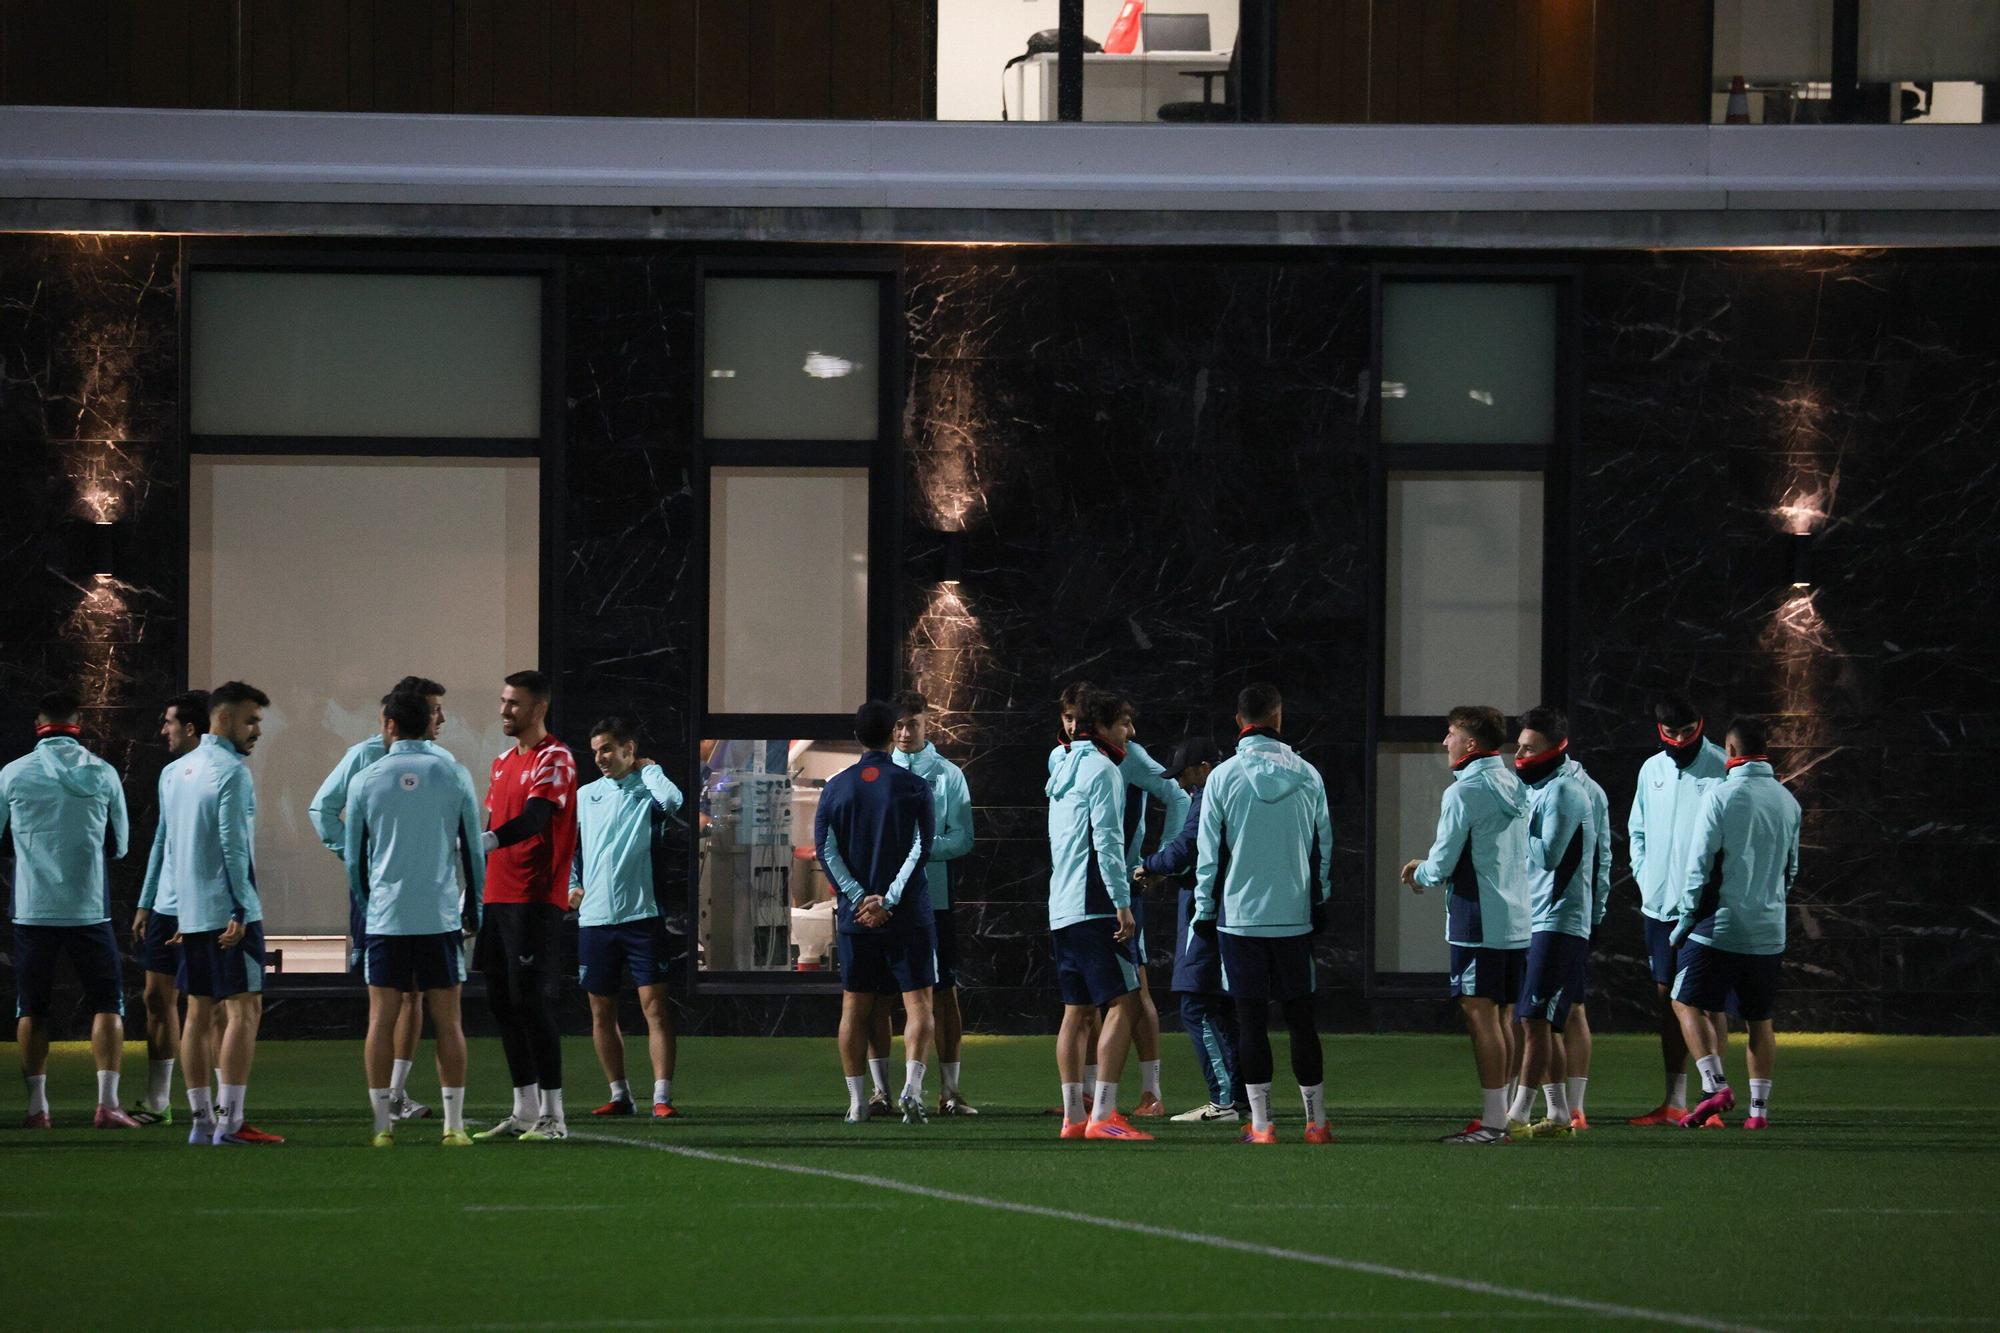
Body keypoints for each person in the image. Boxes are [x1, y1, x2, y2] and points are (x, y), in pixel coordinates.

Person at [308, 675, 458, 1121]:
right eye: (434, 710)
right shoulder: (365, 756)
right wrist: (360, 857)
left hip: (429, 897)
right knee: (388, 997)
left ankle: (397, 1092)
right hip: (382, 896)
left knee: (416, 998)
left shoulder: (442, 762)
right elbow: (322, 810)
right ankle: (383, 1102)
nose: (441, 719)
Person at [1193, 684, 1335, 1146]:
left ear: (1239, 721)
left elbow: (1208, 856)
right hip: (1293, 917)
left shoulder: (1223, 777)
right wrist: (1320, 900)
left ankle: (1261, 1125)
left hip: (1240, 919)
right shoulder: (1309, 775)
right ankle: (1316, 1123)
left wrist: (1203, 911)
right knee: (1302, 1020)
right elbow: (1323, 849)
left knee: (1250, 1022)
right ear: (1279, 716)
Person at [344, 691, 484, 1147]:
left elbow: (353, 860)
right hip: (439, 915)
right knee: (449, 1020)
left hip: (386, 919)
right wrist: (475, 907)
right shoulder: (452, 772)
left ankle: (383, 1127)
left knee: (381, 1020)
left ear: (388, 723)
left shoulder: (366, 778)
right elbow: (473, 850)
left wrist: (369, 907)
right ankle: (454, 1126)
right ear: (429, 722)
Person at [3, 692, 134, 1129]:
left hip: (32, 910)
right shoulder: (103, 772)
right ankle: (108, 1105)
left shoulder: (13, 773)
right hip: (87, 910)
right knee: (107, 1004)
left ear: (38, 723)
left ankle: (38, 1108)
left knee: (31, 1008)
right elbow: (120, 846)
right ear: (79, 724)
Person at [1402, 704, 1530, 1146]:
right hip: (1517, 917)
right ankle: (1504, 1116)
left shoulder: (1464, 792)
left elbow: (1441, 863)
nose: (1445, 741)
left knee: (1481, 1016)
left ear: (1470, 744)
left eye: (1451, 734)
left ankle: (1493, 1123)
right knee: (1504, 1014)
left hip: (1479, 919)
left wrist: (1419, 873)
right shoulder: (1513, 781)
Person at [164, 680, 280, 1146]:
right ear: (224, 719)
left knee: (196, 1013)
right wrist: (240, 907)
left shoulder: (175, 771)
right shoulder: (232, 772)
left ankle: (200, 1123)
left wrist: (174, 909)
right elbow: (233, 846)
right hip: (229, 910)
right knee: (244, 1010)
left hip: (189, 909)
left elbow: (173, 846)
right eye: (251, 720)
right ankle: (231, 1123)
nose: (256, 731)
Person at [1670, 716, 1799, 1131]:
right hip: (1769, 928)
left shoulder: (1721, 797)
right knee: (1760, 1020)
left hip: (1721, 925)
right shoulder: (1788, 801)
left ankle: (1715, 1083)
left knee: (1683, 999)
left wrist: (1687, 916)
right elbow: (1791, 870)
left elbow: (1699, 866)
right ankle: (1759, 1113)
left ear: (1729, 751)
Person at [817, 700, 936, 1125]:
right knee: (919, 1003)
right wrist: (889, 897)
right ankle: (912, 1091)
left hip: (856, 917)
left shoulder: (836, 787)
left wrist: (858, 897)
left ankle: (856, 1101)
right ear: (892, 736)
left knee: (855, 1007)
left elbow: (825, 848)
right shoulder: (914, 785)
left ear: (856, 737)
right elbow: (923, 846)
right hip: (906, 914)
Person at [473, 669, 579, 1142]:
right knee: (503, 1004)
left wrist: (487, 840)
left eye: (513, 703)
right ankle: (523, 1108)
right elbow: (495, 821)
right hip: (498, 898)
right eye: (502, 701)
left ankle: (554, 1115)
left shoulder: (555, 757)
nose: (504, 710)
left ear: (538, 708)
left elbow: (536, 820)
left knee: (532, 1004)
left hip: (535, 900)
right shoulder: (499, 764)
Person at [1045, 689, 1151, 1142]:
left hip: (1061, 905)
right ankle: (1104, 1114)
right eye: (1123, 724)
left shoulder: (1062, 766)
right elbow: (1107, 843)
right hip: (1095, 904)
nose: (1130, 732)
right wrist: (1122, 903)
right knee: (1125, 1002)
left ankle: (1073, 1116)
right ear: (1104, 726)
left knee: (1076, 1011)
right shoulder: (1104, 770)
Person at [571, 716, 685, 1120]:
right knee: (602, 1011)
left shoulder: (649, 790)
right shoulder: (586, 794)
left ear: (628, 749)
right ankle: (619, 1094)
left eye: (607, 749)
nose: (600, 758)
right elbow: (572, 848)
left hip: (642, 915)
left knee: (655, 1008)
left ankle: (661, 1096)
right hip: (595, 919)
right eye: (596, 750)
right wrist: (572, 885)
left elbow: (673, 803)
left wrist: (649, 768)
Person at [1627, 694, 1731, 1127]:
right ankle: (1674, 1101)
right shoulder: (1651, 770)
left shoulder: (1723, 767)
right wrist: (1645, 876)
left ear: (1700, 725)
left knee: (1707, 1001)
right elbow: (1637, 831)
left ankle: (1714, 1099)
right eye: (1670, 734)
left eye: (1687, 733)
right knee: (1666, 1000)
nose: (1679, 740)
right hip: (1658, 905)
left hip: (1705, 906)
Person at [1137, 733, 1244, 1123]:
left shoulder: (1210, 793)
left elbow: (1189, 846)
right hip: (1234, 912)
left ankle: (1224, 1101)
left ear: (1203, 768)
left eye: (1185, 774)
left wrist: (1149, 865)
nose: (1181, 783)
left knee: (1197, 1004)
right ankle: (1241, 1098)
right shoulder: (1234, 790)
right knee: (1221, 1007)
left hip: (1206, 912)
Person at [1503, 707, 1598, 1141]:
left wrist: (1518, 819)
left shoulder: (1565, 793)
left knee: (1534, 1020)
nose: (1519, 755)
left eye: (1528, 748)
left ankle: (1517, 1113)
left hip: (1558, 920)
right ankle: (1559, 1115)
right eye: (1518, 746)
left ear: (1556, 749)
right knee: (1543, 1022)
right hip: (1536, 917)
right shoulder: (1541, 789)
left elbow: (1548, 856)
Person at [884, 690, 977, 1116]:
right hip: (882, 901)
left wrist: (919, 850)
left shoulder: (946, 775)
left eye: (913, 724)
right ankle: (882, 1090)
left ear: (928, 724)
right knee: (879, 995)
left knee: (943, 992)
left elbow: (963, 837)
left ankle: (951, 1091)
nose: (905, 732)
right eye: (899, 724)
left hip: (933, 900)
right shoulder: (878, 772)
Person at [128, 689, 209, 1125]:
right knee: (156, 998)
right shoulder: (169, 774)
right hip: (165, 907)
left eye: (169, 722)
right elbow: (163, 839)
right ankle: (158, 1102)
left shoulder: (221, 774)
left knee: (206, 1006)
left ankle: (215, 1101)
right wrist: (146, 901)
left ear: (191, 728)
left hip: (202, 909)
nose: (163, 730)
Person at [1108, 695, 1188, 1118]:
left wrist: (1158, 863)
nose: (1132, 731)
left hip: (1123, 888)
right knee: (1085, 998)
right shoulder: (1065, 759)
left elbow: (1179, 797)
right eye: (1124, 722)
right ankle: (1087, 1096)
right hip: (1083, 891)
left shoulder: (1132, 756)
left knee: (1136, 991)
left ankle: (1151, 1094)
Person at [1559, 749, 1613, 1131]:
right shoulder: (1523, 784)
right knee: (1524, 1013)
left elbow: (1601, 857)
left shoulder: (1587, 791)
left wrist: (1596, 912)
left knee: (1570, 1007)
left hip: (1567, 915)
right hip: (1528, 914)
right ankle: (1522, 1102)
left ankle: (1574, 1107)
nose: (1522, 755)